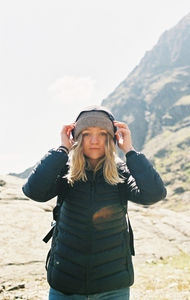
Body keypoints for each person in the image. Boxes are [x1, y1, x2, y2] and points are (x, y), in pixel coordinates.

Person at [22, 105, 167, 300]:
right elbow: (34, 192)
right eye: (87, 133)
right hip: (65, 284)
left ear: (111, 138)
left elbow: (154, 194)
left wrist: (130, 151)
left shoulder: (121, 172)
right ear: (77, 137)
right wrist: (62, 149)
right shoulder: (64, 171)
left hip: (113, 287)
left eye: (102, 134)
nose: (94, 140)